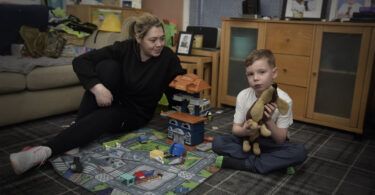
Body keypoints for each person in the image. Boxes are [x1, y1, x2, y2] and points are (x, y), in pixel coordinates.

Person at [9, 13, 184, 175]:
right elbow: (81, 61)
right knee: (107, 67)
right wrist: (98, 87)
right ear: (138, 38)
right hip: (112, 99)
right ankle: (75, 135)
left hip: (134, 113)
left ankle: (44, 151)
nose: (159, 44)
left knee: (106, 116)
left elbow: (177, 89)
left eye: (162, 38)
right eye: (153, 40)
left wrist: (184, 115)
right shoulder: (124, 48)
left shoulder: (167, 58)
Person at [212, 49, 307, 174]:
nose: (255, 78)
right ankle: (273, 164)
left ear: (274, 73)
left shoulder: (284, 101)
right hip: (249, 141)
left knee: (299, 152)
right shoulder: (243, 95)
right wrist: (245, 130)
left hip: (272, 144)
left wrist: (268, 121)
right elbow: (235, 130)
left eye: (262, 72)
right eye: (250, 74)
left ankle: (243, 164)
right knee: (218, 142)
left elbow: (280, 140)